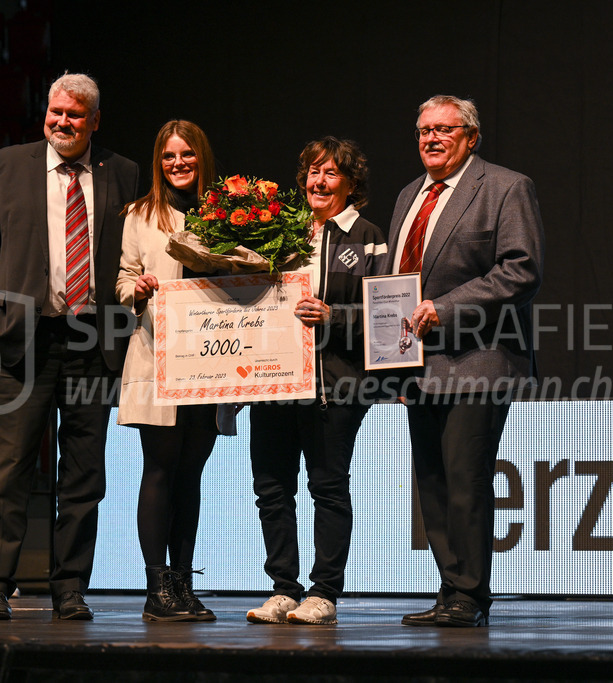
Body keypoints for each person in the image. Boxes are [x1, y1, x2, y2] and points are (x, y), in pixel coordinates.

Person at [0, 72, 140, 620]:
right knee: (9, 469)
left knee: (83, 476)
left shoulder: (123, 172)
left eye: (75, 114)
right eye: (55, 111)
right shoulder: (5, 165)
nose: (62, 121)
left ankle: (70, 588)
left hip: (93, 344)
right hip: (23, 343)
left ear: (94, 121)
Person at [379, 95, 544, 627]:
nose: (431, 138)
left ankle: (470, 595)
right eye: (424, 129)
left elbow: (521, 271)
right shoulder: (409, 195)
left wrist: (445, 308)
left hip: (478, 359)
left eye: (445, 129)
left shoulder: (504, 186)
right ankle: (450, 589)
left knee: (465, 477)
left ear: (471, 137)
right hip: (416, 363)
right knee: (431, 483)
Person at [246, 137, 387, 625]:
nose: (318, 182)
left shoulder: (368, 235)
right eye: (312, 172)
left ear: (351, 183)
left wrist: (335, 316)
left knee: (327, 488)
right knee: (272, 487)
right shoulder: (281, 232)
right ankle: (284, 589)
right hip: (274, 381)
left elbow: (389, 314)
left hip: (336, 385)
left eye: (330, 173)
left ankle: (323, 593)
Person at [116, 120, 237, 622]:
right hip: (157, 358)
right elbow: (123, 279)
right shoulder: (140, 215)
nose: (178, 163)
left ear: (201, 157)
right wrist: (136, 290)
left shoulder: (229, 212)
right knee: (161, 470)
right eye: (169, 156)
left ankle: (183, 585)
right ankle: (155, 588)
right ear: (158, 162)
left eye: (186, 154)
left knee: (191, 475)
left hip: (210, 363)